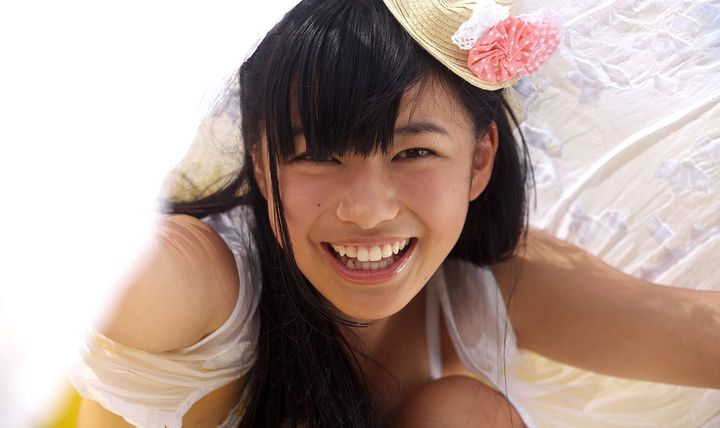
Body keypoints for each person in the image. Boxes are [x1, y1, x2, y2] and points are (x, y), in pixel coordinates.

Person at [68, 0, 720, 427]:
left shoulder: (487, 282)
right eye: (318, 154)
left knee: (464, 414)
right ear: (262, 165)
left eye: (414, 152)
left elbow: (696, 334)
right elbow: (103, 263)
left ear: (480, 159)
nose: (367, 210)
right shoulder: (214, 281)